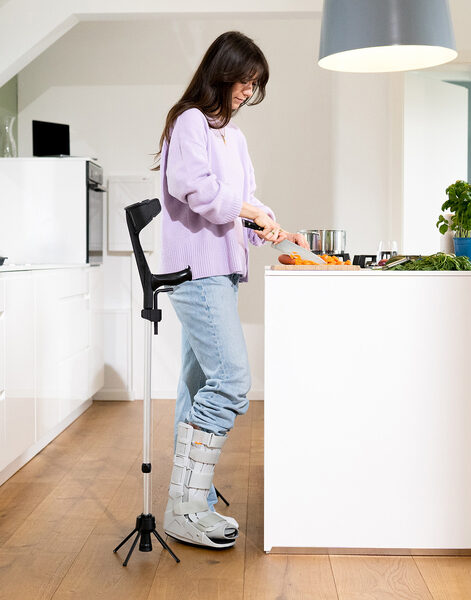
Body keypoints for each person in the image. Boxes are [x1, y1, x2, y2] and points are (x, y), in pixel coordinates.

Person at [155, 31, 305, 549]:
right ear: (224, 72)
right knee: (233, 381)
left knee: (198, 385)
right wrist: (248, 211)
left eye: (255, 85)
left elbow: (243, 199)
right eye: (247, 80)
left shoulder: (232, 137)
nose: (249, 91)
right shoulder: (189, 121)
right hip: (195, 271)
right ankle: (187, 504)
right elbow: (192, 188)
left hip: (222, 269)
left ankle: (185, 499)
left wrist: (269, 225)